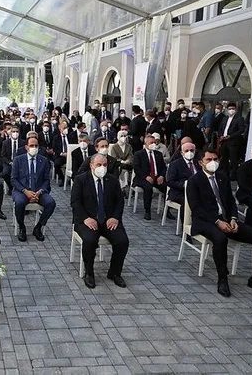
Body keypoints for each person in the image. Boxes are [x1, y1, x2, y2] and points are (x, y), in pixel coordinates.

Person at [188, 148, 252, 297]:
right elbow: (196, 208)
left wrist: (233, 218)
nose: (213, 162)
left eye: (215, 159)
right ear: (201, 163)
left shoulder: (222, 177)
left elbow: (231, 201)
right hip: (206, 221)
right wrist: (217, 221)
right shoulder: (194, 181)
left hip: (227, 219)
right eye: (209, 160)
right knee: (220, 239)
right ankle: (222, 278)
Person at [71, 154, 129, 289]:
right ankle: (89, 273)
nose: (102, 167)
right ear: (91, 165)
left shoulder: (112, 180)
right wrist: (86, 218)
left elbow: (120, 202)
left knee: (122, 241)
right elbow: (75, 202)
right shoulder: (81, 180)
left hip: (109, 220)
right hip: (87, 220)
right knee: (90, 240)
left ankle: (114, 272)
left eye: (105, 165)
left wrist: (115, 217)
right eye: (98, 165)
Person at [11, 137, 56, 242]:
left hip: (39, 191)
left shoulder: (44, 160)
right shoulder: (18, 160)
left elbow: (46, 180)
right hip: (22, 191)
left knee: (51, 203)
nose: (34, 148)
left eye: (36, 146)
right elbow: (13, 179)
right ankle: (22, 227)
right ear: (26, 147)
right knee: (19, 203)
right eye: (31, 146)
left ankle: (38, 227)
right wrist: (25, 191)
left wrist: (40, 191)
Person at [133, 135, 167, 220]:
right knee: (148, 188)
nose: (153, 144)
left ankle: (167, 210)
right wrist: (146, 176)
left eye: (154, 143)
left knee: (167, 187)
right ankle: (147, 210)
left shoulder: (159, 154)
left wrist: (161, 176)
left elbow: (164, 167)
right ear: (145, 144)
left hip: (156, 178)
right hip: (143, 178)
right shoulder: (139, 154)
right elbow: (136, 168)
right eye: (151, 143)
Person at [166, 142, 199, 221]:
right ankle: (185, 224)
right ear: (181, 153)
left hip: (197, 191)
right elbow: (170, 181)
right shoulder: (175, 164)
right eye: (186, 151)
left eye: (192, 150)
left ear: (195, 151)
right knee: (188, 201)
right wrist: (184, 185)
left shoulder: (199, 163)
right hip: (179, 192)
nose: (189, 152)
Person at [218, 102, 246, 180]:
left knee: (233, 159)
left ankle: (233, 175)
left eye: (233, 109)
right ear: (227, 110)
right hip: (224, 141)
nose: (231, 110)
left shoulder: (239, 118)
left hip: (233, 142)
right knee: (224, 158)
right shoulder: (225, 118)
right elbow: (220, 128)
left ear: (235, 109)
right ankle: (225, 174)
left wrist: (230, 136)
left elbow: (241, 130)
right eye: (229, 109)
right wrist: (220, 136)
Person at [0, 126, 23, 195]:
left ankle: (20, 187)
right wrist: (10, 162)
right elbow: (3, 155)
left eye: (17, 131)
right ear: (10, 133)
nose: (15, 133)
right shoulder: (5, 143)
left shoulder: (23, 142)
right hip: (9, 162)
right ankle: (11, 187)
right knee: (5, 173)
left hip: (20, 163)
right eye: (13, 131)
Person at [52, 122, 70, 187]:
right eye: (64, 128)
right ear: (60, 129)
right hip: (60, 155)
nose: (66, 129)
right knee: (57, 164)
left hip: (70, 156)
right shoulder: (56, 138)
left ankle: (72, 178)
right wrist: (62, 153)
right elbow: (55, 148)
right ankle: (62, 178)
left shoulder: (71, 136)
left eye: (66, 127)